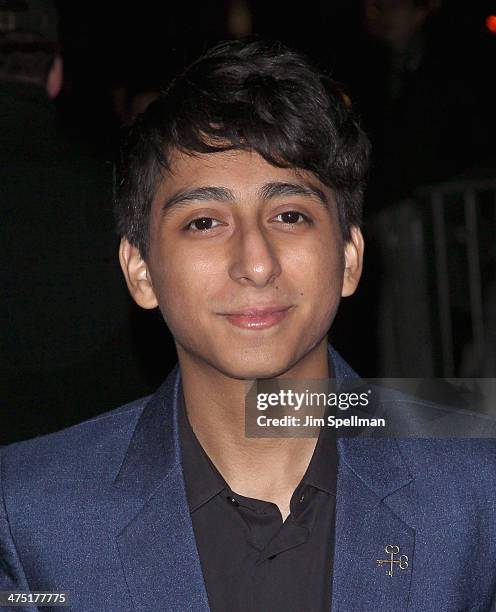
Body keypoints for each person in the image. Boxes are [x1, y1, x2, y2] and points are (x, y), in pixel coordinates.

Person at [1, 40, 496, 612]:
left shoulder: (474, 485)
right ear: (141, 270)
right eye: (204, 222)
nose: (255, 261)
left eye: (290, 215)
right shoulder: (31, 516)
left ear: (350, 258)